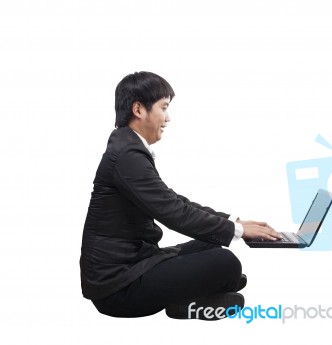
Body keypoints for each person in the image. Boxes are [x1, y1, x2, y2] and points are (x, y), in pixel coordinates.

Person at [79, 71, 281, 320]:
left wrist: (234, 223)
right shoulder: (126, 156)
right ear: (139, 109)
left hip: (132, 267)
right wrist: (236, 231)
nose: (168, 118)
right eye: (163, 108)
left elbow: (174, 201)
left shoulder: (127, 147)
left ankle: (200, 292)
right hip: (118, 288)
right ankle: (190, 299)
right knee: (225, 262)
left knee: (209, 243)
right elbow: (173, 212)